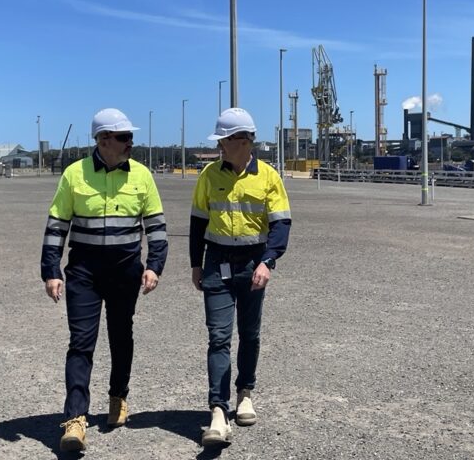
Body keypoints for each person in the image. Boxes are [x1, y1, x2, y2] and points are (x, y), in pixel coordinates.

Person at [40, 108, 168, 452]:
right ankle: (75, 419)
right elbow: (56, 226)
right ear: (103, 140)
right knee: (81, 342)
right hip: (84, 272)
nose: (130, 143)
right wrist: (51, 270)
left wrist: (154, 266)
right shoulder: (74, 174)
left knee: (121, 335)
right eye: (124, 137)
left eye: (130, 137)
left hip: (126, 271)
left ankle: (118, 397)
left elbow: (156, 228)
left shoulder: (141, 175)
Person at [189, 107, 291, 447]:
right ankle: (218, 411)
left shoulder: (269, 177)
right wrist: (196, 263)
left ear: (244, 141)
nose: (219, 146)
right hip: (217, 262)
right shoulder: (209, 175)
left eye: (224, 140)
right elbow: (198, 222)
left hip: (252, 262)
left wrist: (268, 262)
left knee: (249, 333)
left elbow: (281, 224)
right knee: (218, 336)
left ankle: (245, 392)